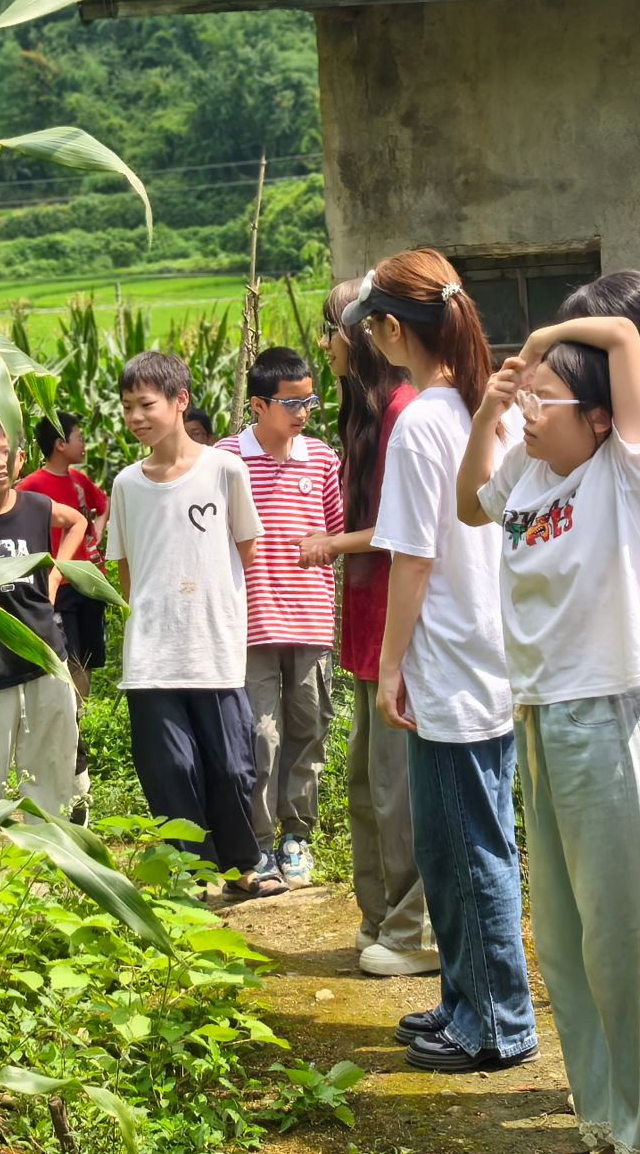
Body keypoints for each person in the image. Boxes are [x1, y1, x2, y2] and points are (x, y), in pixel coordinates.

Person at [455, 276, 640, 1154]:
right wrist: (492, 405)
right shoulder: (535, 474)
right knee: (568, 942)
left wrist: (548, 333)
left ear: (598, 418)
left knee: (627, 949)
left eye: (548, 398)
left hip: (612, 714)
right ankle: (603, 1134)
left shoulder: (628, 471)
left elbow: (628, 337)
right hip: (545, 719)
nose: (533, 411)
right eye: (531, 396)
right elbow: (475, 502)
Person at [341, 250, 535, 1073]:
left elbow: (411, 559)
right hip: (493, 650)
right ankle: (465, 999)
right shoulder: (488, 408)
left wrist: (390, 668)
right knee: (461, 842)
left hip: (451, 662)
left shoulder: (423, 417)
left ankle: (497, 1022)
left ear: (391, 329)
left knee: (466, 847)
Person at [106, 351, 276, 894]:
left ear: (180, 401)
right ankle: (191, 875)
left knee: (231, 769)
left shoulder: (225, 469)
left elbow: (245, 551)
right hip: (151, 654)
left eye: (145, 404)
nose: (135, 416)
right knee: (170, 771)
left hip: (214, 646)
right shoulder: (126, 484)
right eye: (127, 406)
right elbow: (127, 568)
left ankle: (242, 867)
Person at [301, 280, 432, 976]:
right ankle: (380, 917)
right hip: (367, 633)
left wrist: (332, 544)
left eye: (332, 331)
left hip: (397, 635)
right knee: (366, 787)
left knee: (397, 790)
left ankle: (415, 931)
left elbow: (407, 531)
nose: (326, 346)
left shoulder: (406, 416)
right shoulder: (368, 420)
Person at [218, 347, 344, 890]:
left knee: (309, 730)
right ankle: (260, 844)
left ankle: (298, 835)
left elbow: (336, 533)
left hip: (311, 620)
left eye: (309, 400)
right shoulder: (226, 459)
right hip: (249, 623)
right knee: (259, 736)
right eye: (291, 402)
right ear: (257, 405)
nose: (304, 411)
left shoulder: (321, 459)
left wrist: (328, 545)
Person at [0, 409, 88, 822]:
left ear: (20, 459)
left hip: (45, 658)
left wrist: (56, 577)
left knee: (58, 755)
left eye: (4, 451)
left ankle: (65, 849)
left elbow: (76, 521)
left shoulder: (37, 507)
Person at [18, 413, 108, 824]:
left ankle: (79, 717)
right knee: (67, 658)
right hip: (59, 589)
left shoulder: (78, 482)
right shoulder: (32, 487)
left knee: (87, 658)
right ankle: (69, 719)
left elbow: (99, 508)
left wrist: (95, 537)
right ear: (59, 443)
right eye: (79, 435)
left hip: (88, 584)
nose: (84, 441)